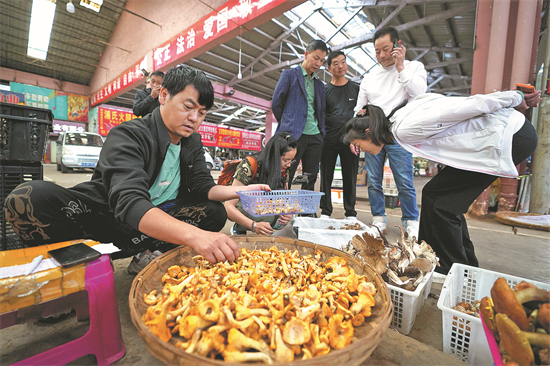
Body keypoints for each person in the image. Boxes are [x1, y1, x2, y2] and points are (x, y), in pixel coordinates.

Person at [4, 65, 269, 269]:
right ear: (163, 95)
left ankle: (149, 254)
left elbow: (202, 186)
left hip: (150, 224)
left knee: (214, 213)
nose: (194, 118)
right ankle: (73, 270)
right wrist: (195, 236)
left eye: (201, 113)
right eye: (188, 107)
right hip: (108, 218)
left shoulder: (191, 141)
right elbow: (128, 200)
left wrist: (242, 192)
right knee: (28, 198)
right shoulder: (129, 134)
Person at [344, 89, 541, 276]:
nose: (361, 150)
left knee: (441, 203)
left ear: (369, 132)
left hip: (510, 137)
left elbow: (470, 105)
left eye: (358, 145)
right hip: (502, 136)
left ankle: (450, 269)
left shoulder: (404, 128)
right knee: (437, 196)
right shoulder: (398, 119)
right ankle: (452, 262)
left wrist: (516, 96)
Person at [353, 26, 426, 239]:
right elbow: (359, 108)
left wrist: (400, 66)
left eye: (386, 49)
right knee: (374, 180)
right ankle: (378, 221)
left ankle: (411, 222)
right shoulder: (370, 77)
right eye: (377, 51)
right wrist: (356, 131)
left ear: (398, 45)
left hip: (399, 134)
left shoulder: (414, 68)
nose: (382, 55)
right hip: (373, 134)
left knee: (404, 179)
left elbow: (419, 93)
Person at [272, 39, 327, 194]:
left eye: (322, 61)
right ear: (306, 54)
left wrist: (321, 132)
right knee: (286, 173)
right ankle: (281, 207)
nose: (318, 63)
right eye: (316, 58)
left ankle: (306, 211)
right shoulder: (289, 75)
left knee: (311, 175)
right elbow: (277, 103)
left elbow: (321, 111)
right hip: (294, 135)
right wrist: (287, 125)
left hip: (315, 136)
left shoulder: (319, 85)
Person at [225, 132, 297, 235]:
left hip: (262, 203)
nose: (289, 165)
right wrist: (253, 225)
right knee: (267, 217)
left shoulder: (283, 170)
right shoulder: (250, 165)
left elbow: (286, 197)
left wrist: (289, 213)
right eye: (286, 160)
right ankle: (239, 227)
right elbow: (228, 206)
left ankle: (264, 222)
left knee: (291, 214)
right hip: (242, 202)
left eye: (291, 160)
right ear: (274, 156)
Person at [319, 51, 360, 220]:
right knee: (326, 176)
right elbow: (319, 115)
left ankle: (350, 212)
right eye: (335, 63)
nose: (340, 66)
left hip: (351, 140)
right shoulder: (324, 90)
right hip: (328, 140)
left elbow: (362, 115)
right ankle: (326, 211)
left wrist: (357, 138)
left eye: (343, 62)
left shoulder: (356, 89)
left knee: (350, 176)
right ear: (329, 68)